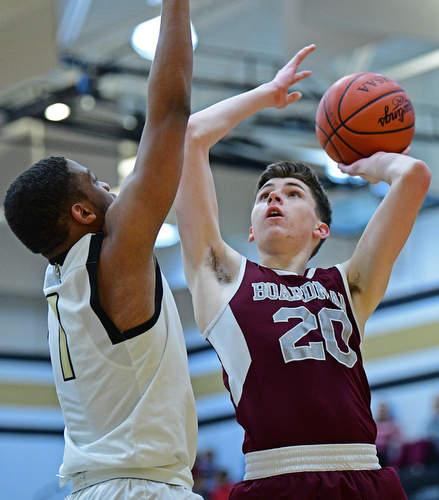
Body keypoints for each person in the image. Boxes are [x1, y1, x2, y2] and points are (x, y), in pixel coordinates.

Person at [174, 43, 431, 500]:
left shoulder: (349, 285)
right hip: (275, 479)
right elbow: (192, 136)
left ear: (320, 228)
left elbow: (413, 175)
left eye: (292, 193)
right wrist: (267, 94)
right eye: (264, 195)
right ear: (251, 231)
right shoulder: (222, 279)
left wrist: (363, 164)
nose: (274, 198)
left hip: (362, 476)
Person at [3, 1, 203, 499]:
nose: (109, 184)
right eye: (93, 181)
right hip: (142, 490)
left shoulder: (61, 282)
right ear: (83, 214)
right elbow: (171, 112)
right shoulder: (115, 257)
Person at [375, 402, 404, 467]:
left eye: (384, 411)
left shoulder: (394, 425)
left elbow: (398, 440)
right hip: (376, 452)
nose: (382, 413)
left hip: (388, 451)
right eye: (381, 411)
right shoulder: (374, 426)